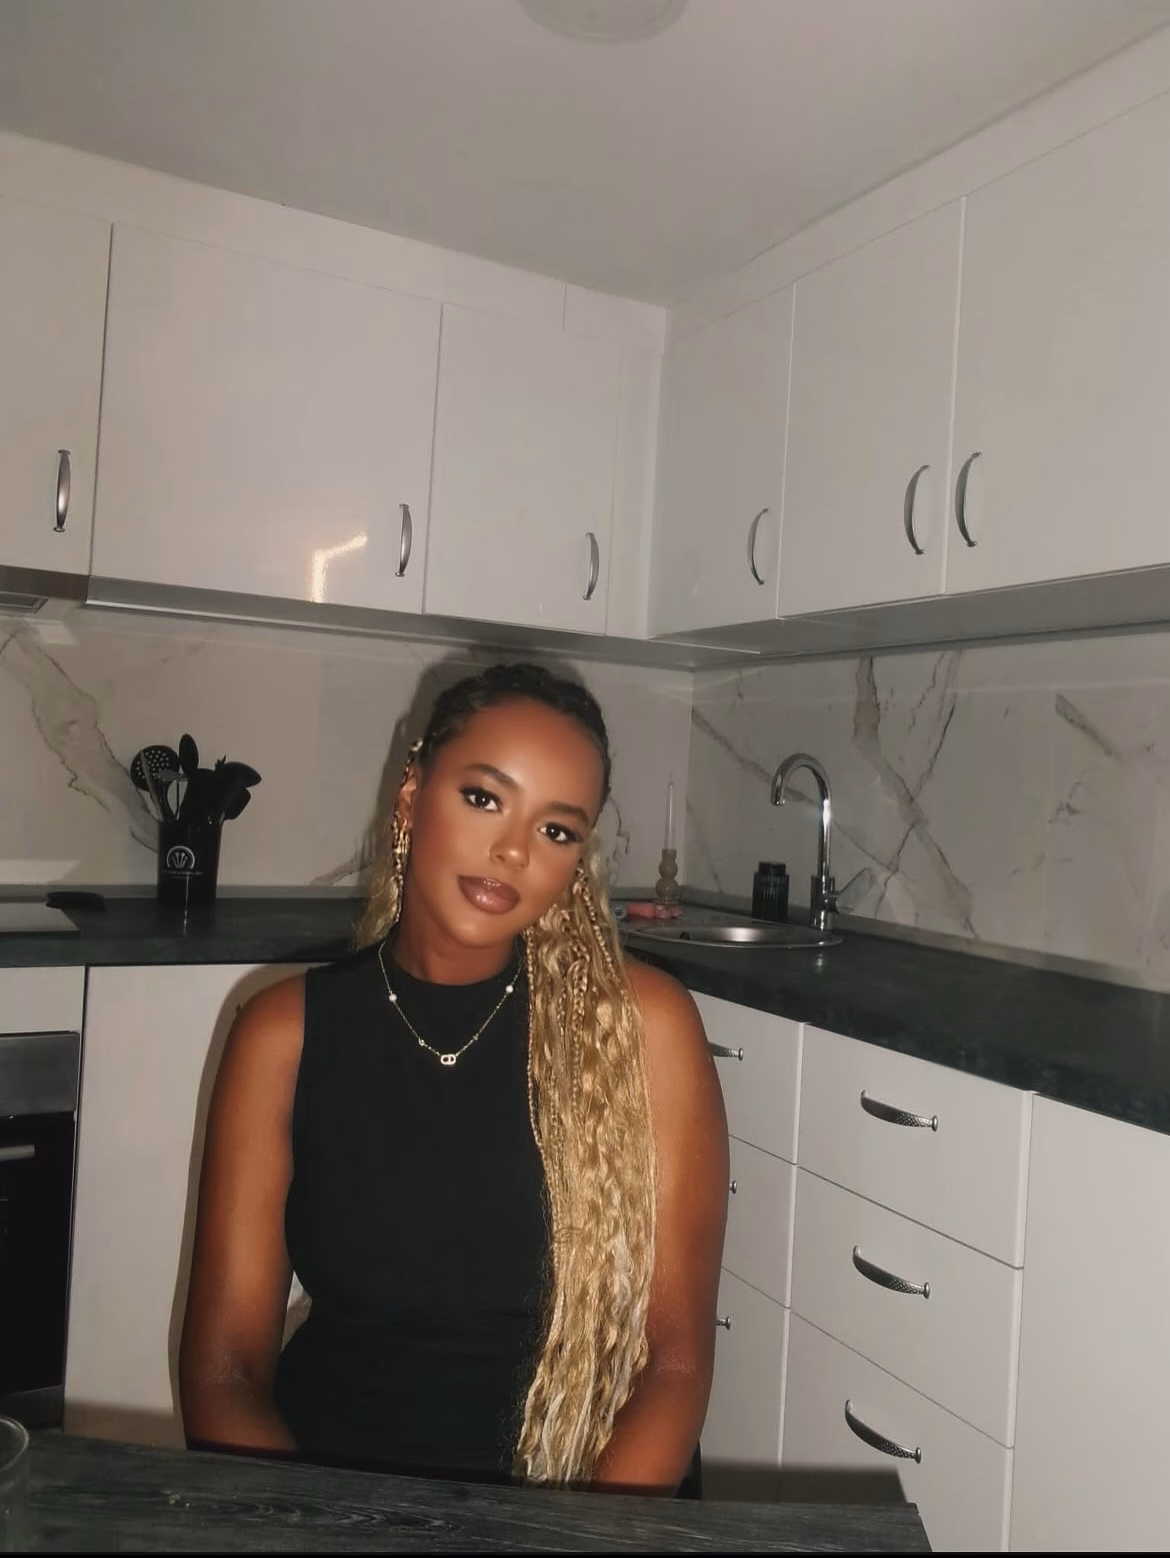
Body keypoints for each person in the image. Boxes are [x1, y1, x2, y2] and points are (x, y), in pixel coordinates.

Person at [179, 661, 728, 1492]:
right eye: (483, 797)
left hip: (579, 1499)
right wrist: (305, 1525)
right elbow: (224, 1371)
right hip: (327, 1494)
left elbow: (676, 1363)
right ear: (412, 795)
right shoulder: (283, 1035)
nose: (513, 850)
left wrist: (580, 1536)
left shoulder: (642, 1027)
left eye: (557, 831)